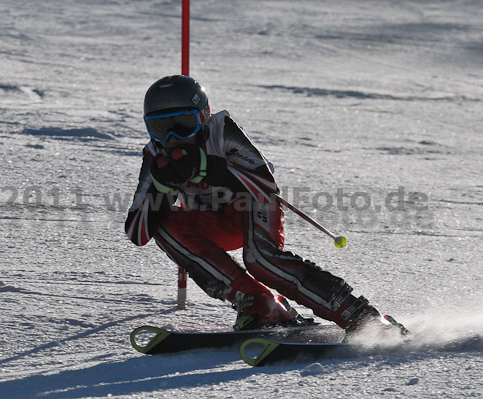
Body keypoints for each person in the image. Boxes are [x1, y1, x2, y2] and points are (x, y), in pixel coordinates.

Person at [125, 75, 404, 335]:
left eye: (184, 125)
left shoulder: (222, 131)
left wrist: (207, 169)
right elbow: (138, 233)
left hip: (252, 208)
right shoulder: (155, 155)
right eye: (161, 129)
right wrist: (161, 189)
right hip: (212, 220)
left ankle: (359, 314)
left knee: (261, 260)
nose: (173, 139)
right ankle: (260, 304)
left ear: (203, 117)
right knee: (163, 223)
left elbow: (266, 186)